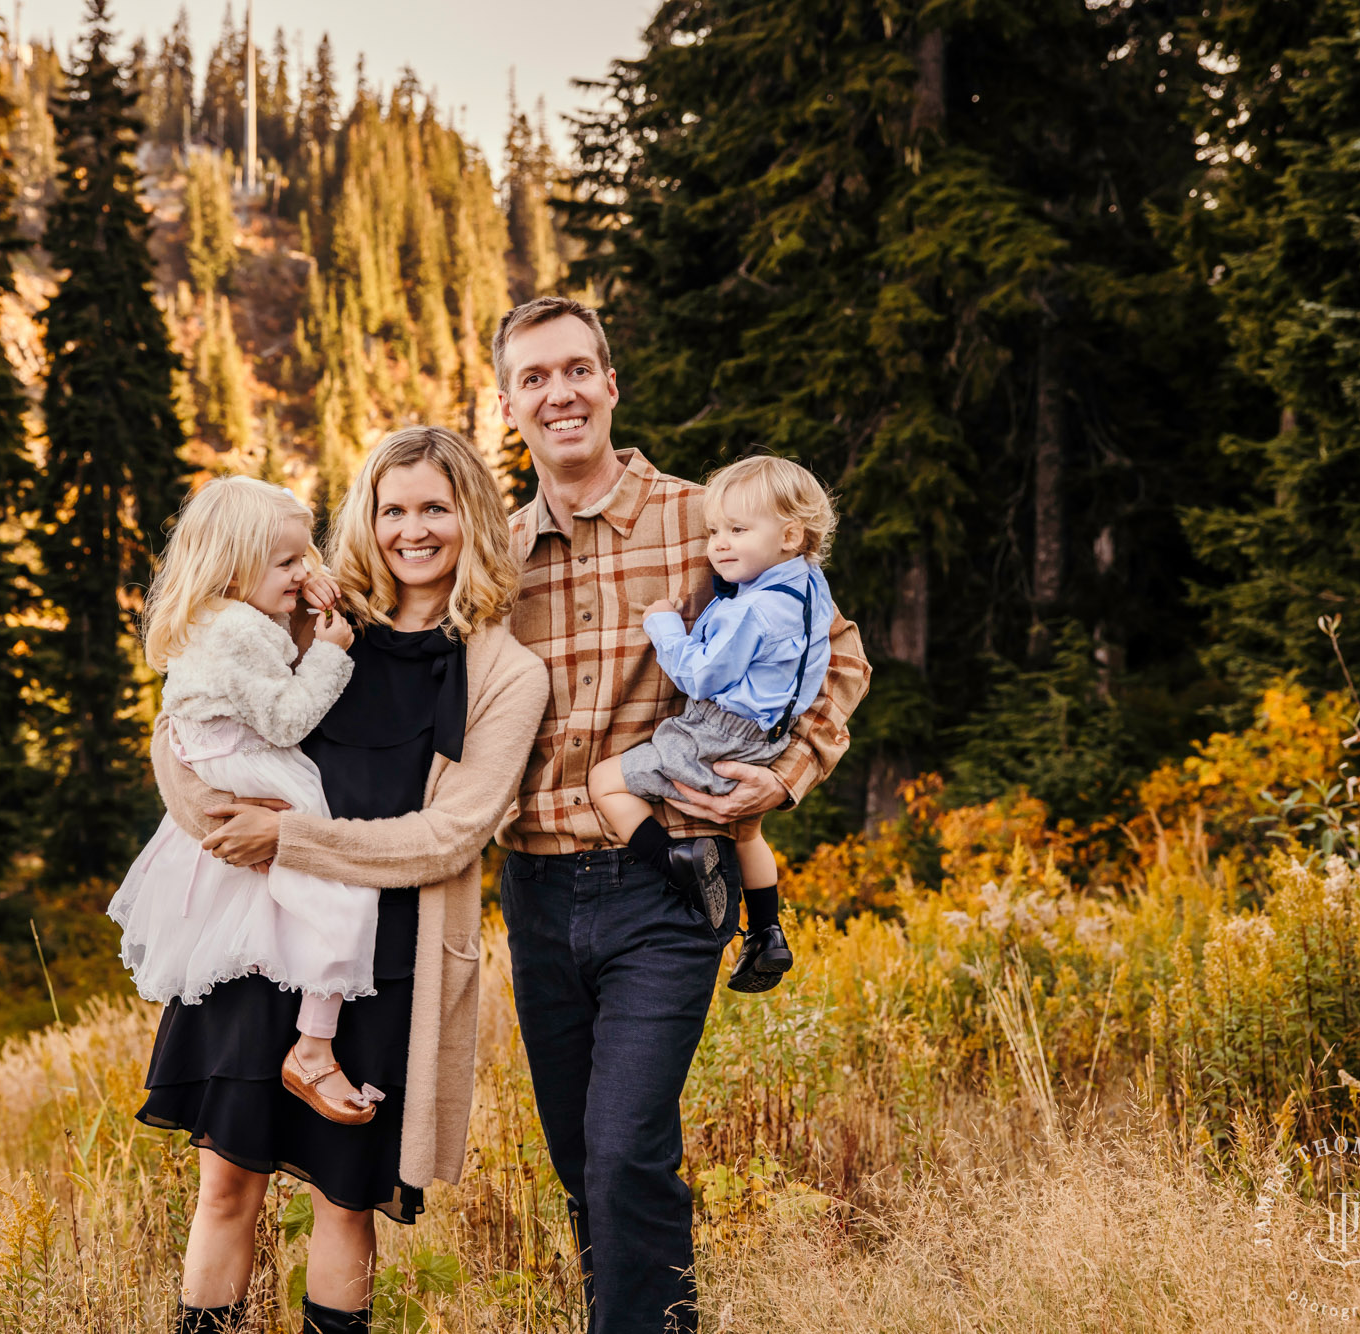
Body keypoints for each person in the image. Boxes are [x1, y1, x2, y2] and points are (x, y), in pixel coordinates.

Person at [493, 295, 871, 1334]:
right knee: (580, 1158)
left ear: (609, 383)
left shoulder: (705, 518)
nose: (558, 392)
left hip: (666, 878)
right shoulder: (492, 549)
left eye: (577, 369)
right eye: (533, 377)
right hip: (530, 889)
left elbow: (835, 655)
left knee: (624, 1149)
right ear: (506, 402)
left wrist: (783, 774)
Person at [140, 427, 549, 1334]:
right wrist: (214, 819)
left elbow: (450, 835)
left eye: (435, 508)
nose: (412, 530)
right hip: (256, 938)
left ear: (472, 519)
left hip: (382, 959)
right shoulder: (317, 624)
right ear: (365, 516)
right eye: (391, 507)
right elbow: (189, 728)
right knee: (226, 1183)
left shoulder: (501, 673)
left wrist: (293, 841)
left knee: (343, 1197)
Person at [106, 475, 387, 1125]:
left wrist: (306, 593)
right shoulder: (238, 631)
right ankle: (313, 1048)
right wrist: (332, 652)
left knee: (299, 910)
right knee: (342, 902)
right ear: (234, 567)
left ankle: (309, 1044)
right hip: (256, 779)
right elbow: (288, 718)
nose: (302, 570)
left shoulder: (222, 620)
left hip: (233, 775)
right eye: (286, 562)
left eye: (305, 557)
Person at [587, 454, 838, 994]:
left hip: (717, 731)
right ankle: (768, 931)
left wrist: (663, 626)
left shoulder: (751, 610)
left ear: (791, 534)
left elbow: (699, 676)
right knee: (748, 829)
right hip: (770, 739)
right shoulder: (812, 587)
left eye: (738, 530)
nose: (719, 544)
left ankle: (677, 863)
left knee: (604, 782)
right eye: (715, 531)